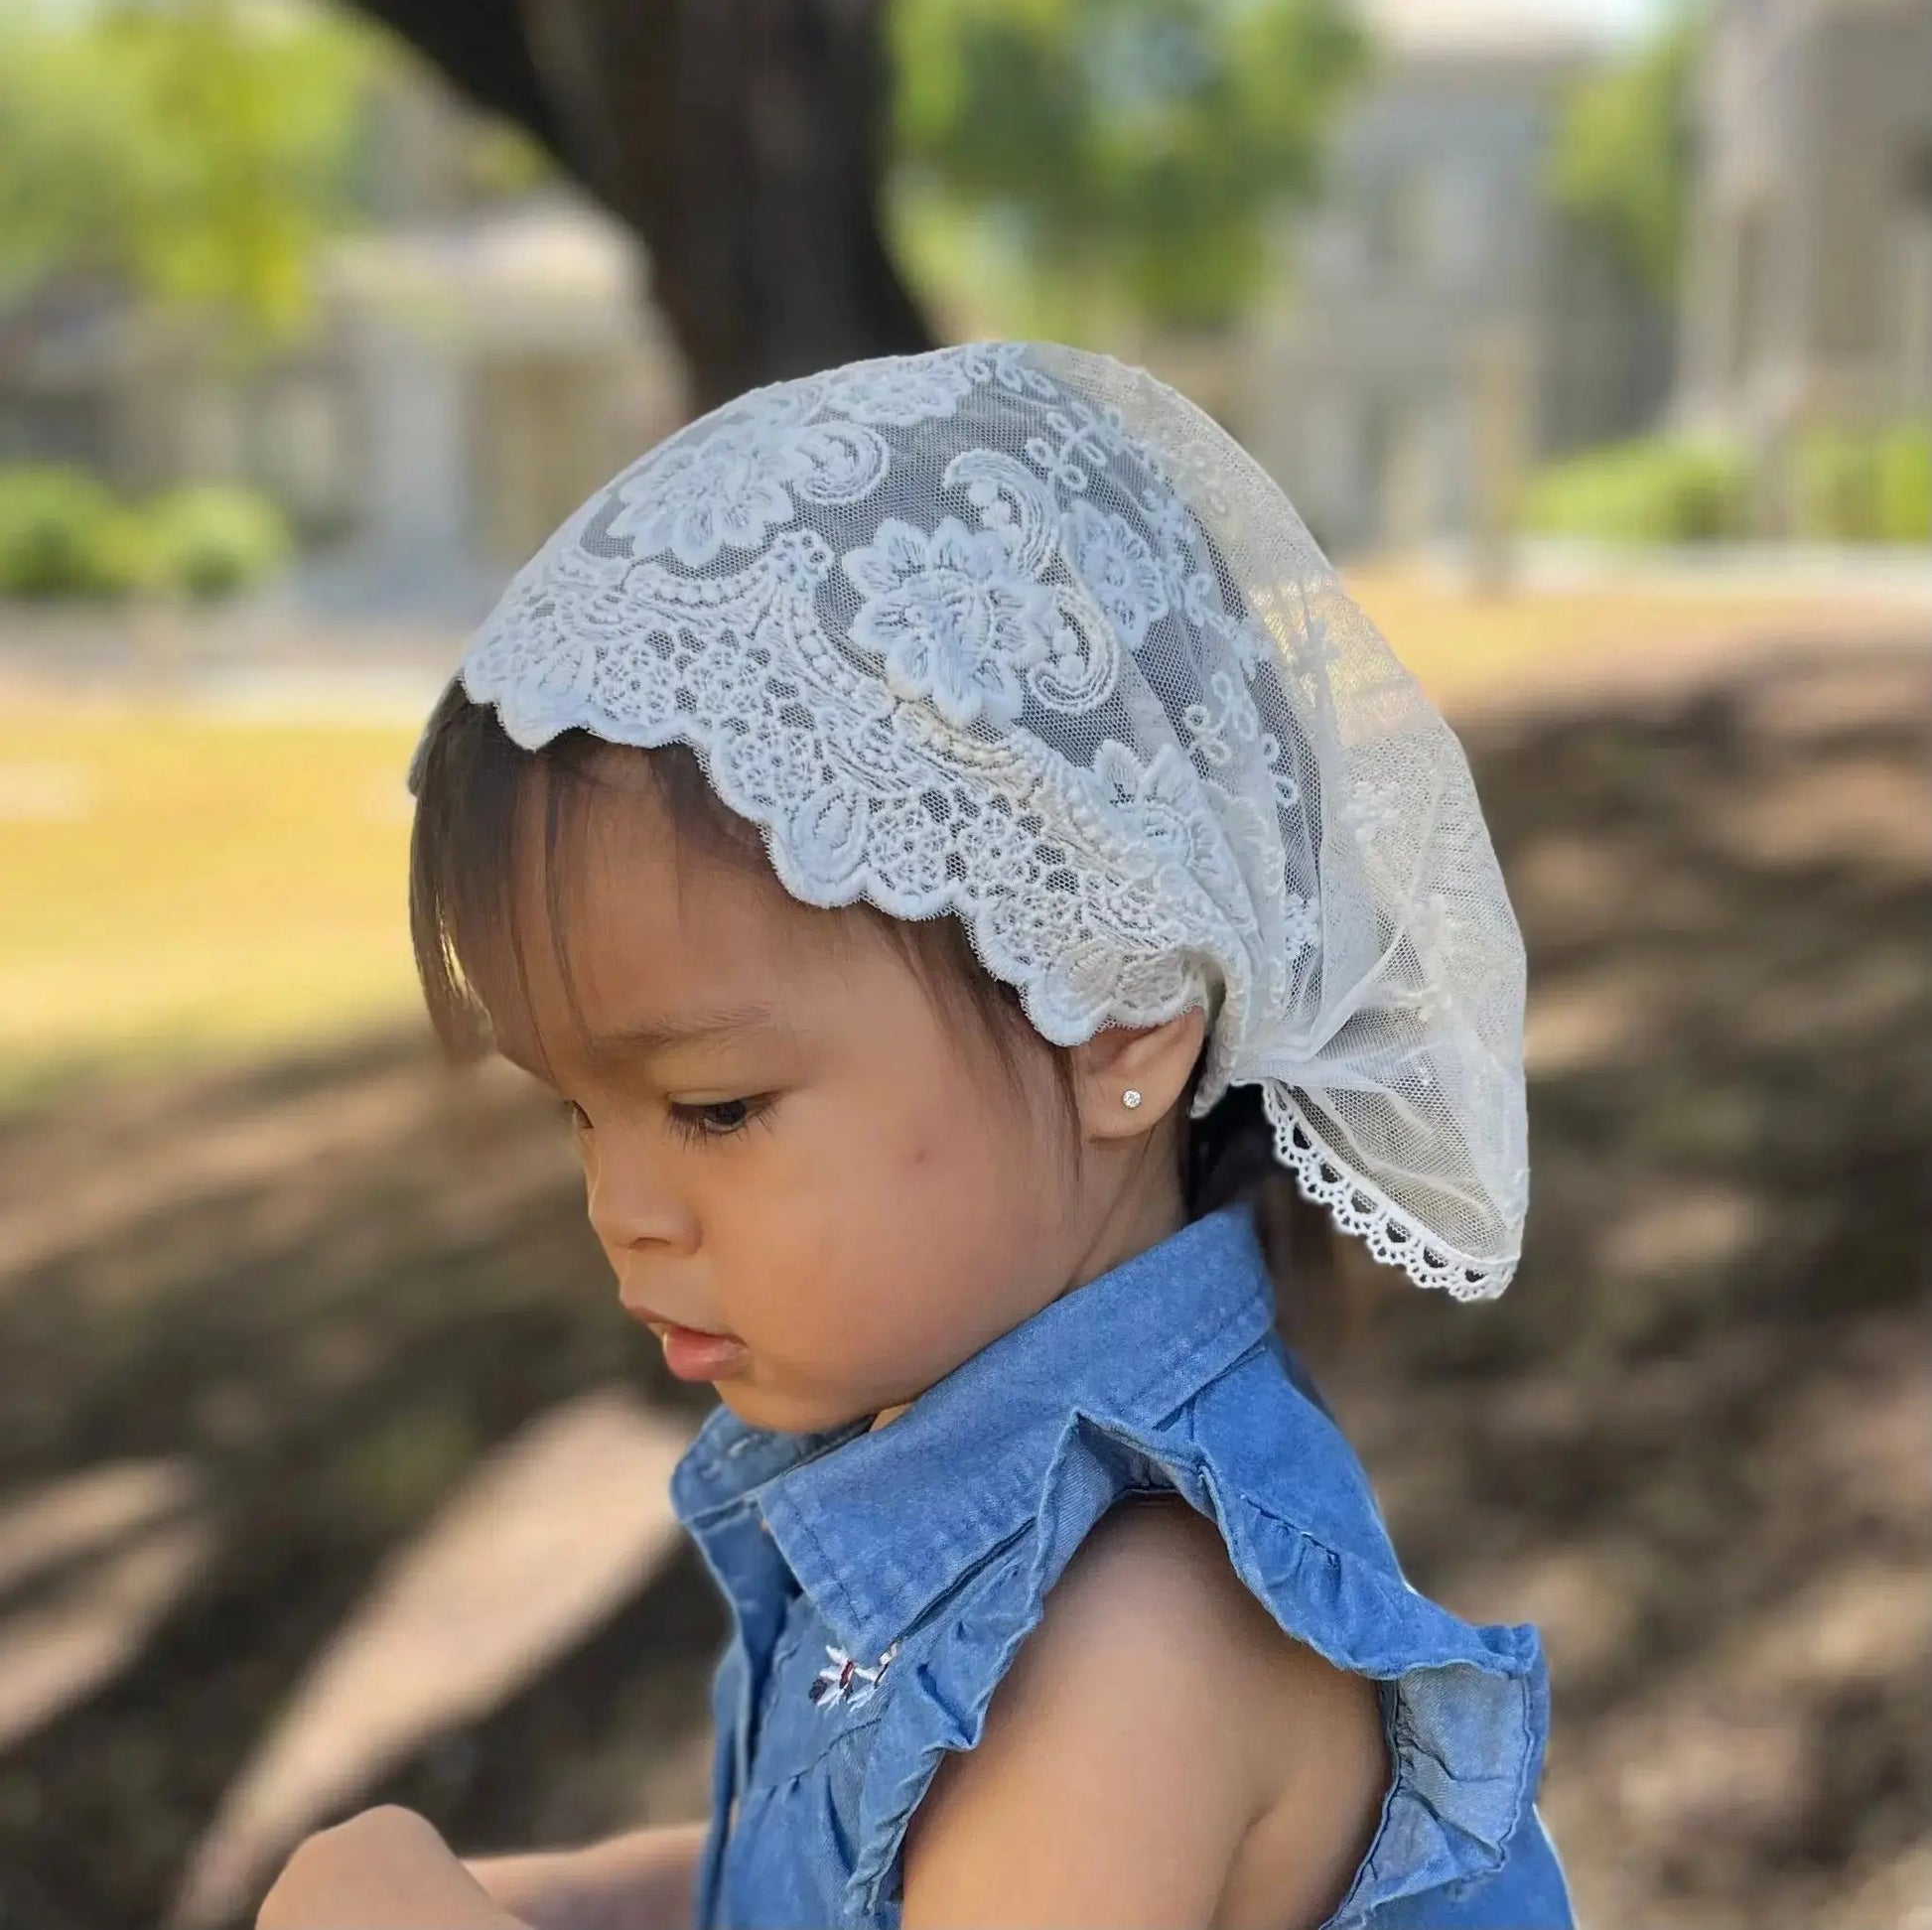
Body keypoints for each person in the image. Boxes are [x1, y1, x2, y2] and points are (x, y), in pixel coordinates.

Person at [257, 342, 1573, 1930]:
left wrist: (386, 1899)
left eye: (713, 1107)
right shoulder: (951, 1488)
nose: (622, 1208)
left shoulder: (1132, 1648)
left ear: (1114, 1021)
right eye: (575, 1114)